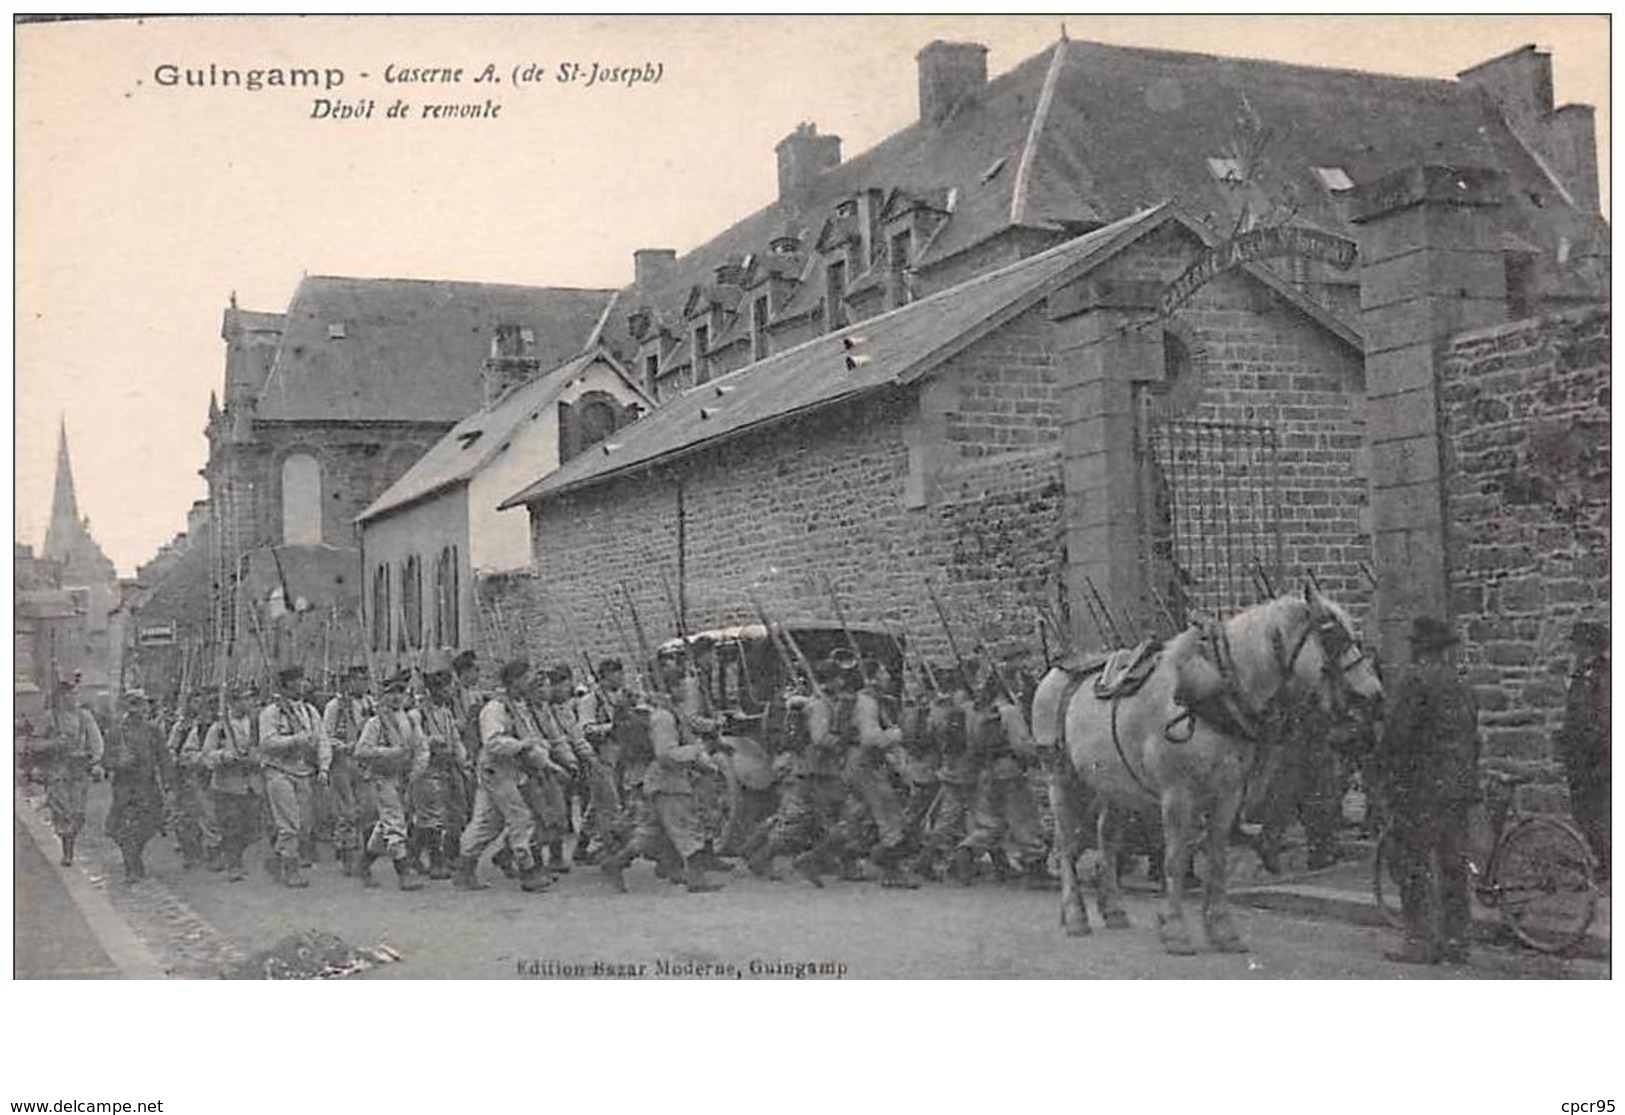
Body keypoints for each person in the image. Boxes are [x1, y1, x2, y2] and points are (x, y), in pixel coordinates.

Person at [1376, 616, 1481, 966]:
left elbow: (1398, 738)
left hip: (1422, 789)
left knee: (1413, 864)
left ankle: (1420, 940)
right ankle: (1457, 941)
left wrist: (1385, 773)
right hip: (1458, 787)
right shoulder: (1461, 683)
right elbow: (1473, 737)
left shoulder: (1415, 682)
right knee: (1453, 865)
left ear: (1419, 650)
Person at [598, 688, 725, 894]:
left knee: (651, 833)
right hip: (669, 782)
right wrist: (697, 751)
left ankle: (615, 863)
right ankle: (696, 880)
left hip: (656, 781)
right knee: (687, 828)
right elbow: (665, 754)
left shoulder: (659, 715)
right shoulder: (664, 717)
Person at [454, 659, 556, 893]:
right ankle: (527, 871)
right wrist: (522, 745)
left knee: (489, 822)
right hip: (497, 769)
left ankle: (464, 867)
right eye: (527, 678)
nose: (531, 683)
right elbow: (493, 742)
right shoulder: (496, 709)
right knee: (520, 818)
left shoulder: (519, 706)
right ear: (515, 681)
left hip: (509, 770)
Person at [952, 668, 1048, 888]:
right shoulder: (1010, 712)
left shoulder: (976, 711)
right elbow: (1020, 745)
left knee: (990, 821)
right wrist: (1039, 752)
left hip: (985, 770)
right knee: (1024, 819)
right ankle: (1035, 865)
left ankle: (967, 851)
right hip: (1010, 770)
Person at [354, 671, 427, 891]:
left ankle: (364, 862)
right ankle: (403, 873)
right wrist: (387, 752)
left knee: (387, 823)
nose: (396, 697)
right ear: (383, 696)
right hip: (382, 777)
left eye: (400, 692)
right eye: (391, 692)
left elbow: (422, 748)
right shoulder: (376, 723)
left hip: (404, 778)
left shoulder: (412, 720)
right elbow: (361, 751)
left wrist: (415, 772)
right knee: (395, 822)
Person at [258, 665, 329, 888]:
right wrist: (294, 740)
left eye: (303, 681)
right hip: (280, 771)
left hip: (304, 771)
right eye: (297, 681)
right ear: (287, 685)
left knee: (305, 824)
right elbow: (267, 743)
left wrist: (324, 766)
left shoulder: (310, 711)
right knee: (289, 823)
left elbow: (322, 739)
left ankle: (279, 859)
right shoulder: (272, 712)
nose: (302, 685)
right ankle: (291, 869)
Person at [411, 652, 472, 879]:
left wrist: (462, 759)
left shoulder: (446, 713)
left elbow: (455, 739)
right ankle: (435, 862)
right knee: (432, 816)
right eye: (446, 688)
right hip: (428, 770)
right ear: (435, 690)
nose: (451, 692)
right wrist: (429, 741)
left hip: (449, 768)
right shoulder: (418, 714)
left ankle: (430, 854)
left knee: (456, 813)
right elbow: (412, 741)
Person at [1556, 620, 1609, 879]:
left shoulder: (1601, 677)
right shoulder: (1582, 675)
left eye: (1578, 645)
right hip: (1582, 761)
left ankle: (1608, 867)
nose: (1574, 650)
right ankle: (1605, 864)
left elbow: (1601, 722)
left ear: (1589, 648)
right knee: (1585, 814)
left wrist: (1593, 758)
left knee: (1596, 815)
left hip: (1595, 762)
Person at [32, 677, 105, 866]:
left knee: (78, 813)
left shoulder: (85, 716)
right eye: (70, 695)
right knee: (62, 811)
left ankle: (70, 839)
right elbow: (35, 745)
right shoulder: (49, 717)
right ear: (61, 697)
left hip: (79, 771)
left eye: (75, 694)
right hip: (57, 771)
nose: (74, 698)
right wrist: (54, 743)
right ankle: (67, 852)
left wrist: (96, 762)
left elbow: (96, 742)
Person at [104, 689, 173, 882]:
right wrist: (119, 762)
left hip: (148, 787)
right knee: (124, 829)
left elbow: (164, 758)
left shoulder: (153, 730)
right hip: (124, 787)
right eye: (133, 704)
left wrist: (168, 783)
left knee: (150, 825)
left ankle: (135, 857)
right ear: (127, 706)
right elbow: (106, 760)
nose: (138, 709)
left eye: (141, 704)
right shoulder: (116, 731)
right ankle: (131, 867)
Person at [201, 683, 262, 882]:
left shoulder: (255, 723)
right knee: (232, 826)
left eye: (250, 699)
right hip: (228, 784)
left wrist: (258, 757)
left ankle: (235, 857)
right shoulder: (219, 727)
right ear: (233, 702)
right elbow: (207, 755)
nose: (249, 703)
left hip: (252, 782)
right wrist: (222, 756)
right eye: (245, 699)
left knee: (252, 829)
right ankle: (233, 864)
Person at [322, 665, 376, 876]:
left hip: (365, 761)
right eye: (359, 680)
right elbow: (325, 735)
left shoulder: (371, 703)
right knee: (347, 811)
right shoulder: (335, 706)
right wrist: (341, 746)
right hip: (343, 761)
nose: (363, 684)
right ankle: (346, 856)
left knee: (369, 808)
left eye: (365, 679)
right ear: (349, 682)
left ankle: (364, 854)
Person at [170, 690, 222, 870]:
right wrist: (203, 759)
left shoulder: (227, 726)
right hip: (195, 776)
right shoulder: (192, 728)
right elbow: (182, 753)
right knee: (196, 815)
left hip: (225, 776)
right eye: (210, 706)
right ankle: (196, 852)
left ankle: (217, 851)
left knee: (217, 816)